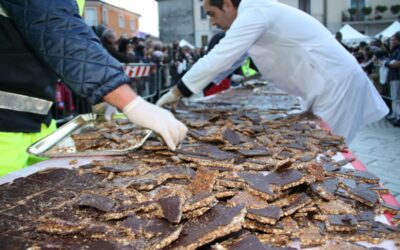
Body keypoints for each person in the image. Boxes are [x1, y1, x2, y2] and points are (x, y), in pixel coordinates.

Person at [157, 0, 388, 144]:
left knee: (322, 151)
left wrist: (177, 92)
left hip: (335, 85)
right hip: (323, 83)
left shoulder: (255, 11)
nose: (212, 22)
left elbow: (220, 56)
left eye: (211, 13)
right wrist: (198, 92)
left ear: (227, 4)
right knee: (315, 145)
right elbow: (228, 62)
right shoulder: (254, 13)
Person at [0, 0, 187, 176]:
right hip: (6, 133)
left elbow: (54, 52)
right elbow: (59, 31)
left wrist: (99, 99)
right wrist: (130, 102)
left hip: (35, 122)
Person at [384, 31, 400, 126]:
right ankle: (395, 115)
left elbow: (396, 63)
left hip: (396, 76)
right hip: (393, 77)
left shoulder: (398, 50)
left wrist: (388, 63)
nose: (391, 42)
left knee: (396, 97)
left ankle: (398, 116)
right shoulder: (394, 51)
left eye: (393, 40)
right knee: (394, 97)